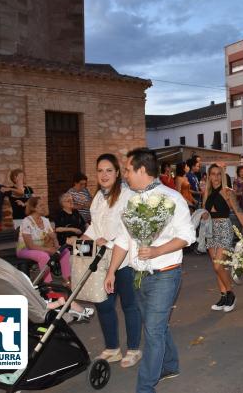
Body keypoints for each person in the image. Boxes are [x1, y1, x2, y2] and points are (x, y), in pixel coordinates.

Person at [107, 148, 195, 393]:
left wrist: (157, 251)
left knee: (153, 331)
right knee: (155, 326)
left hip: (166, 273)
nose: (124, 174)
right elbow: (123, 240)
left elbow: (188, 236)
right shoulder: (130, 199)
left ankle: (145, 387)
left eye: (127, 169)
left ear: (141, 170)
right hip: (139, 276)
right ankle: (170, 364)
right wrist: (111, 271)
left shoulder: (172, 198)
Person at [75, 153, 142, 367]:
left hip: (124, 261)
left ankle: (133, 349)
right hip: (101, 260)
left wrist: (109, 241)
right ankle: (112, 348)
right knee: (103, 305)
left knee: (129, 306)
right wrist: (83, 239)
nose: (104, 175)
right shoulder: (98, 197)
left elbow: (129, 229)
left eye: (109, 170)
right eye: (100, 170)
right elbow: (95, 227)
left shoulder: (127, 195)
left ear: (117, 173)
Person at [204, 164, 243, 313]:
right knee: (217, 268)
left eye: (218, 174)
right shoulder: (206, 191)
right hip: (210, 230)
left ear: (222, 176)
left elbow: (238, 211)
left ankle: (231, 294)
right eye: (213, 174)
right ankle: (223, 296)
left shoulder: (228, 192)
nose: (216, 177)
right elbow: (205, 212)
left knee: (218, 265)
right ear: (209, 176)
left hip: (224, 227)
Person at [16, 197, 71, 284]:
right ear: (33, 208)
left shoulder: (45, 220)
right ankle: (47, 285)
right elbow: (30, 246)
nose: (44, 207)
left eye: (44, 204)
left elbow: (53, 237)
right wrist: (49, 249)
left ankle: (67, 281)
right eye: (41, 205)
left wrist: (56, 245)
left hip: (42, 248)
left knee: (64, 251)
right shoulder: (26, 221)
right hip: (24, 249)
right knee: (43, 256)